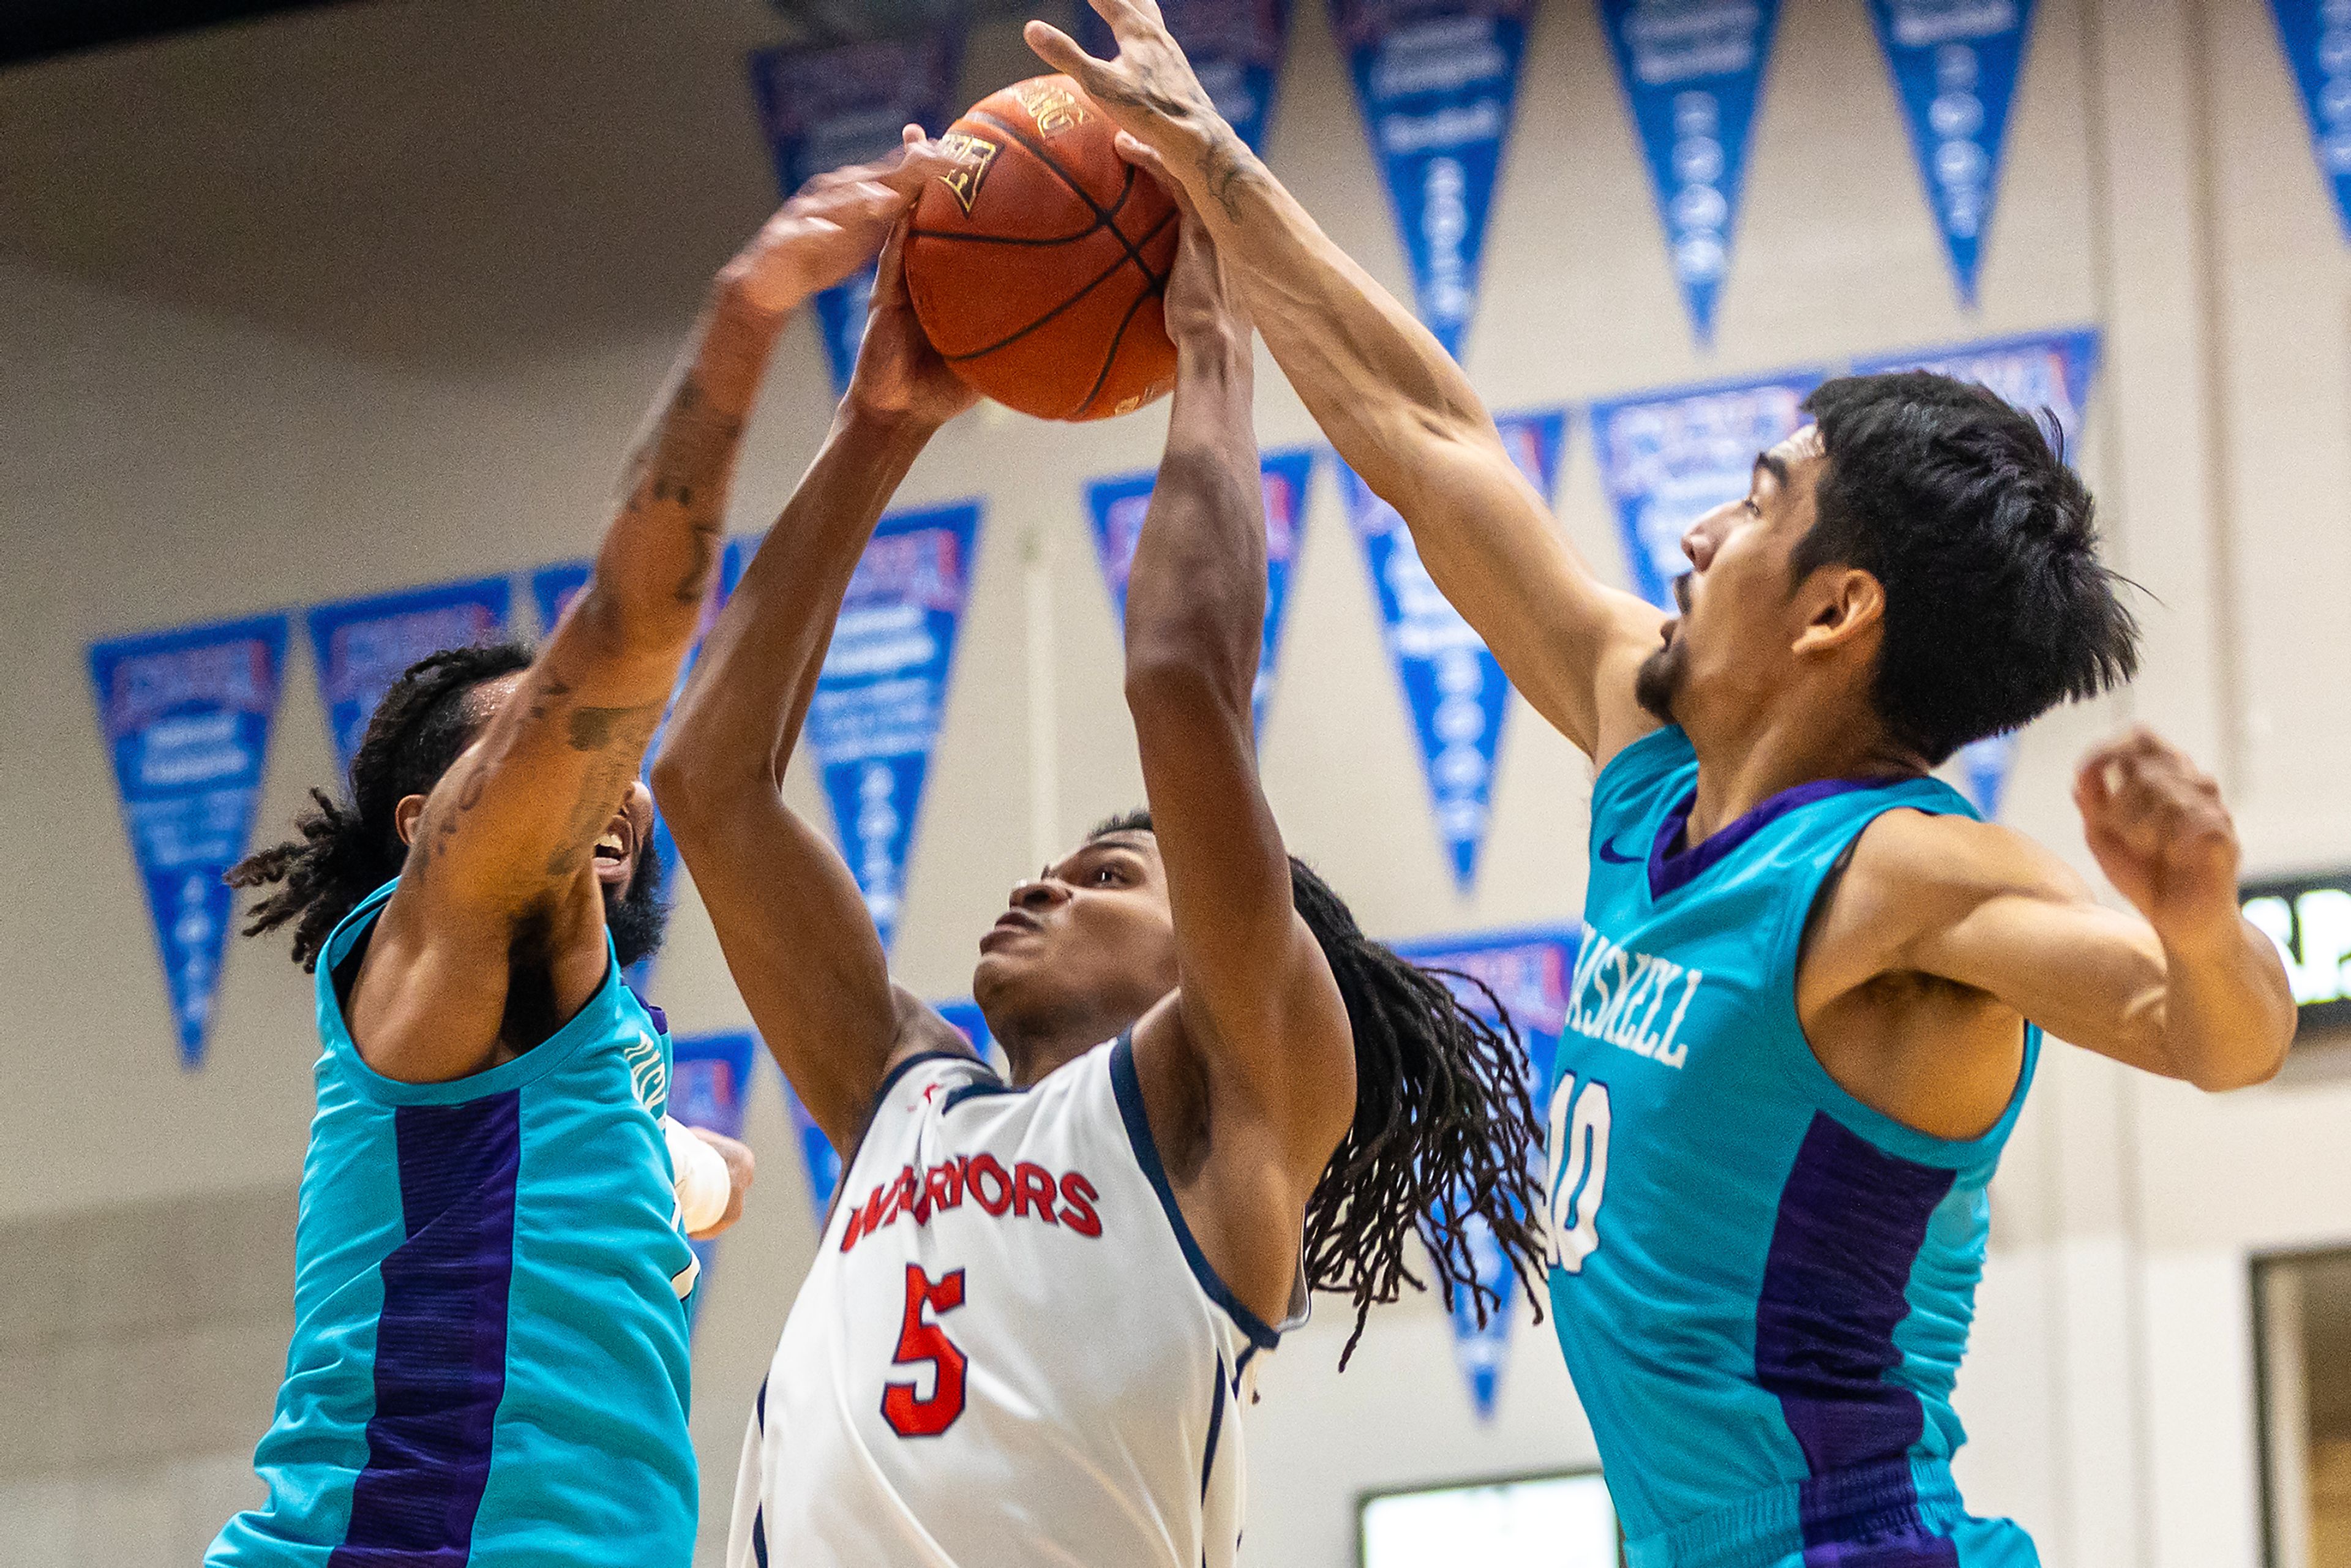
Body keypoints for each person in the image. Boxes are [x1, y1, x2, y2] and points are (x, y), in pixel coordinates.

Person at [1022, 6, 2303, 1566]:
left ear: (1837, 612)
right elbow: (1430, 442)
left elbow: (2213, 1038)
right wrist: (1208, 163)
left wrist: (2199, 918)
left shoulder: (1897, 873)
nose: (1699, 531)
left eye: (1759, 502)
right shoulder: (1653, 756)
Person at [655, 168, 1546, 1568]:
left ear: (1223, 952)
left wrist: (1212, 352)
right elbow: (706, 784)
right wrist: (879, 427)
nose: (1045, 884)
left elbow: (1180, 677)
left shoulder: (1235, 1109)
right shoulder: (905, 1091)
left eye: (1113, 877)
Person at [204, 137, 959, 1568]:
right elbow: (628, 644)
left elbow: (726, 751)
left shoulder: (569, 1061)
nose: (604, 788)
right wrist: (749, 316)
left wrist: (881, 425)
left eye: (610, 774)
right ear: (432, 832)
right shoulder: (437, 950)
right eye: (552, 757)